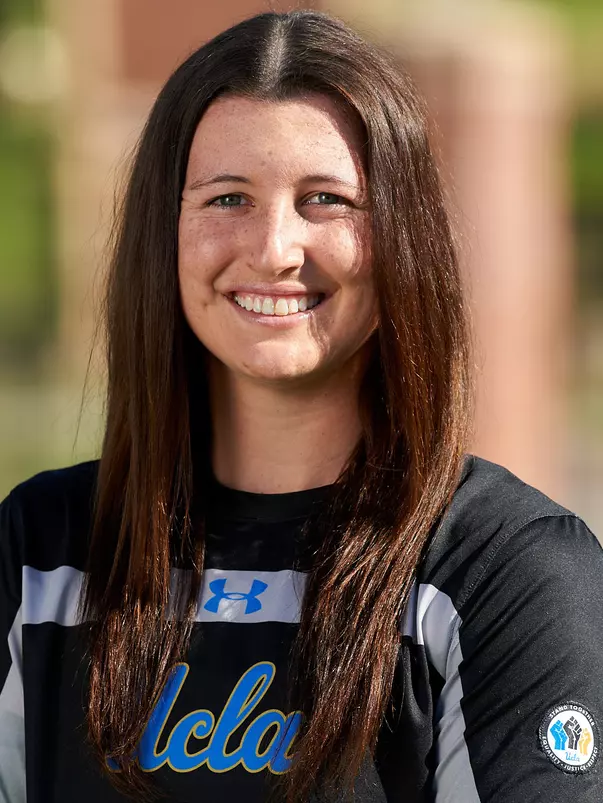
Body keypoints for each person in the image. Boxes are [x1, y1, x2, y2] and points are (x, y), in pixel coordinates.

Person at [0, 9, 601, 803]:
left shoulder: (504, 569)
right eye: (226, 199)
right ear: (164, 231)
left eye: (325, 199)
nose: (275, 247)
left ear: (401, 238)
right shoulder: (42, 552)